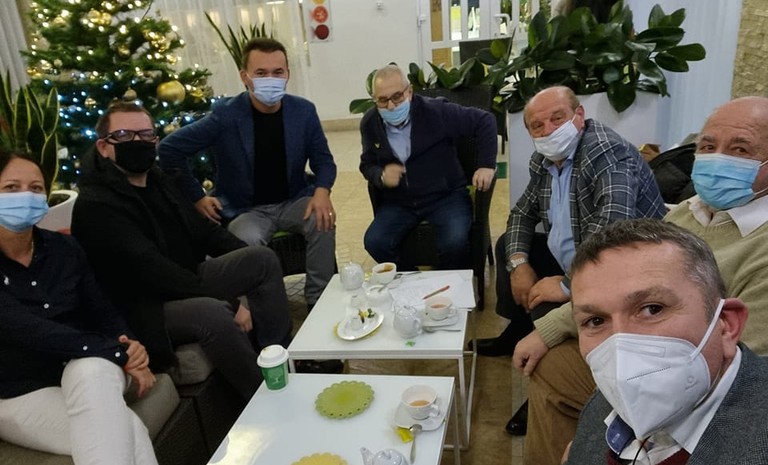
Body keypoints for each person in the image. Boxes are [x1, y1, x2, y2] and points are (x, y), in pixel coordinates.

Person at [513, 96, 768, 465]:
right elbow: (619, 286)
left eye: (740, 149)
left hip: (698, 380)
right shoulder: (688, 212)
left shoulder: (606, 154)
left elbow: (746, 369)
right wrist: (549, 328)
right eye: (707, 146)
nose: (717, 159)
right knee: (550, 366)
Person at [71, 101, 297, 402]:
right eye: (124, 135)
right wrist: (232, 302)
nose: (137, 142)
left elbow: (203, 231)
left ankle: (278, 358)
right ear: (103, 146)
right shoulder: (96, 206)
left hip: (184, 278)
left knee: (262, 259)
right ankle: (263, 397)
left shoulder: (157, 179)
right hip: (144, 306)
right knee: (212, 313)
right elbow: (151, 270)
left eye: (146, 134)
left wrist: (240, 257)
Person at [477, 85, 665, 435]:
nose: (548, 130)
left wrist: (566, 286)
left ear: (579, 116)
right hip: (577, 253)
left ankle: (548, 387)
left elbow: (612, 233)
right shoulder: (543, 161)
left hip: (624, 270)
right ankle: (517, 329)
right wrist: (519, 264)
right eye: (537, 125)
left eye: (557, 118)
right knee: (508, 245)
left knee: (548, 308)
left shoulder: (607, 153)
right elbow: (521, 214)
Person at [564, 218, 768, 464]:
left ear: (726, 325)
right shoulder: (599, 411)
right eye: (595, 321)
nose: (620, 345)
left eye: (652, 309)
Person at [0, 149, 158, 464]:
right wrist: (118, 352)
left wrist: (129, 343)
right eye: (11, 188)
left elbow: (102, 310)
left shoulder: (64, 248)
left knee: (90, 369)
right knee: (128, 429)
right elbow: (28, 329)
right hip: (19, 391)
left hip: (90, 369)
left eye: (35, 188)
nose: (25, 196)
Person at [158, 37, 337, 310]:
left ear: (287, 74)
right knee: (246, 244)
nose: (271, 80)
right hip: (246, 209)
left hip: (293, 200)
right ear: (245, 77)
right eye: (261, 73)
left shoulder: (303, 112)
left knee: (322, 219)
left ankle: (320, 300)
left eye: (277, 72)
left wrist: (322, 192)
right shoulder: (225, 115)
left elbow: (324, 161)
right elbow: (170, 149)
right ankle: (266, 310)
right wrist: (197, 196)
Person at [359, 64, 496, 270]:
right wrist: (381, 176)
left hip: (445, 196)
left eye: (397, 97)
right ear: (375, 100)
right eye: (383, 100)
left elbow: (485, 120)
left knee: (455, 242)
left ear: (409, 91)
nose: (391, 106)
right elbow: (367, 164)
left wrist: (486, 165)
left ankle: (447, 281)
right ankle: (413, 279)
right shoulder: (370, 123)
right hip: (399, 201)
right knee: (375, 242)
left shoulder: (436, 111)